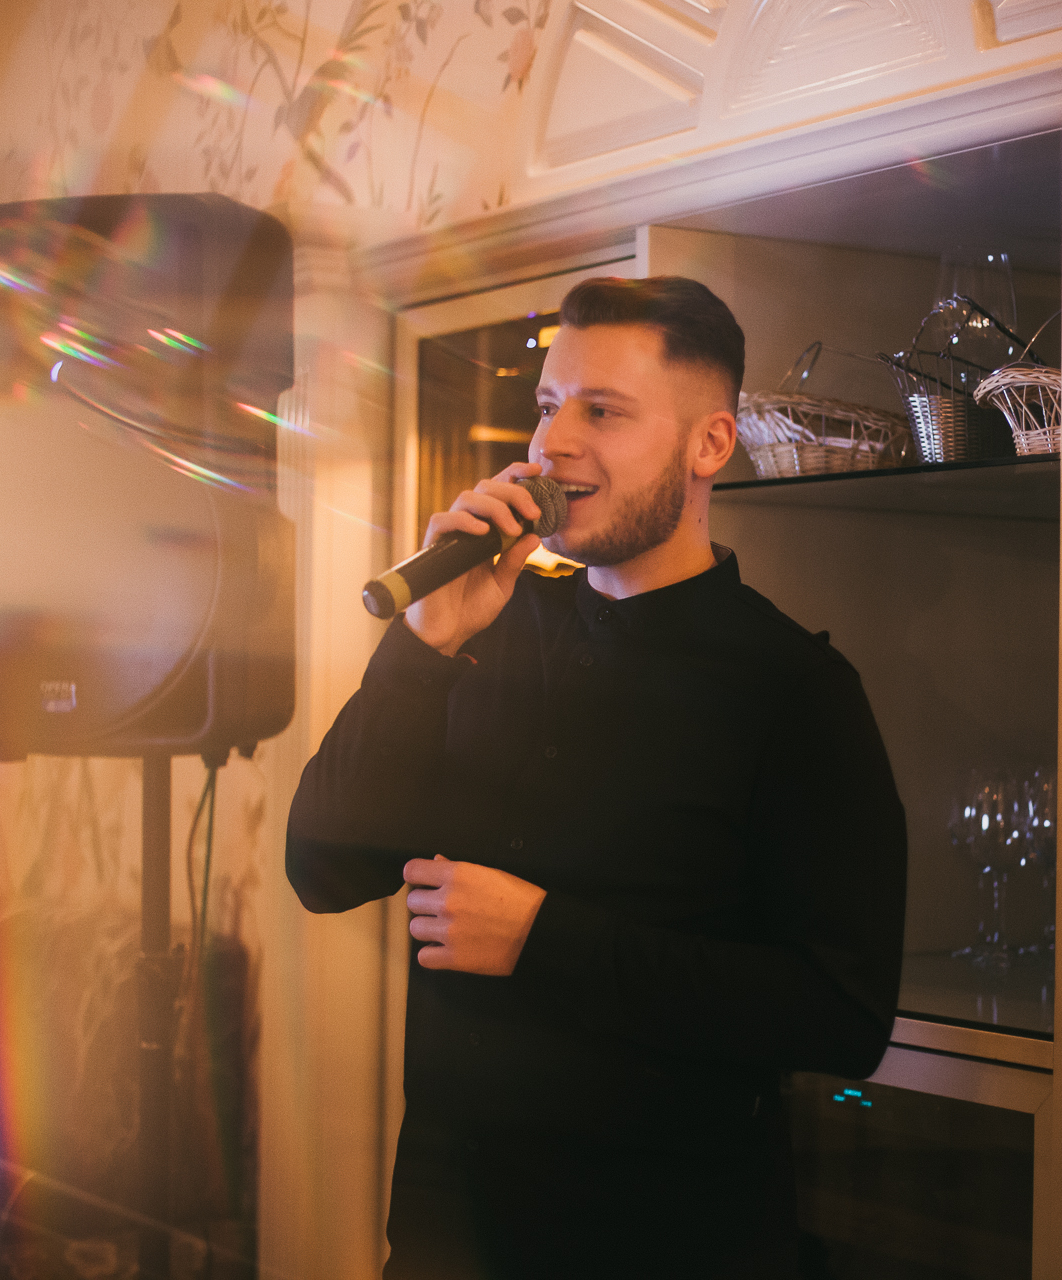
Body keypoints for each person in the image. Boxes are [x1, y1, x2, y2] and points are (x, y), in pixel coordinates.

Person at [286, 276, 906, 1279]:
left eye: (602, 412)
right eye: (547, 406)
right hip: (448, 1244)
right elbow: (321, 867)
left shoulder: (793, 687)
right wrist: (422, 648)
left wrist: (546, 940)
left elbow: (841, 1015)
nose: (552, 444)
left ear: (710, 444)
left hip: (672, 1246)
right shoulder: (483, 631)